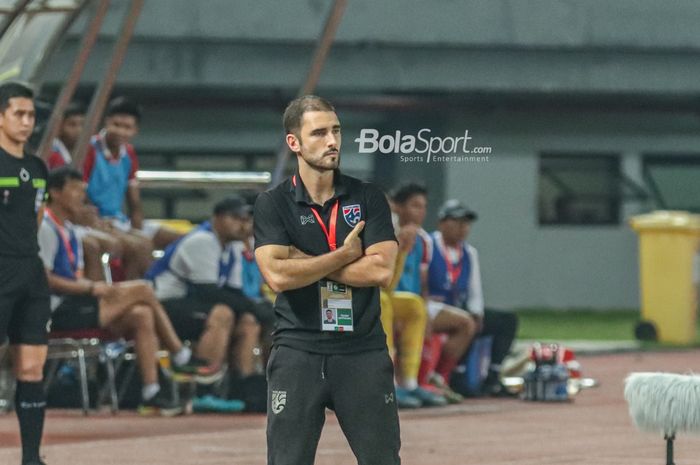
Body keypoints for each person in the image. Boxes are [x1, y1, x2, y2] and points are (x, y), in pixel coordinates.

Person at [254, 95, 400, 465]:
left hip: (362, 351)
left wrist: (306, 261)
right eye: (318, 133)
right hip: (298, 350)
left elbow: (380, 271)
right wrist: (344, 256)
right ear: (294, 143)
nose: (332, 141)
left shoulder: (368, 197)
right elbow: (276, 275)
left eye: (336, 130)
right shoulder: (273, 204)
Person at [37, 167, 210, 415]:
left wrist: (97, 283)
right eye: (75, 190)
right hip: (57, 309)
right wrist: (90, 287)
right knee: (142, 289)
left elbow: (99, 259)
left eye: (83, 191)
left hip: (78, 302)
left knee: (141, 314)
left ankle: (152, 393)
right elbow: (43, 278)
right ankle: (180, 355)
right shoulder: (46, 228)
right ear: (54, 192)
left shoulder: (72, 229)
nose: (81, 197)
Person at [147, 196, 265, 411]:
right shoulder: (202, 240)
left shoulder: (232, 248)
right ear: (217, 219)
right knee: (223, 314)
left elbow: (234, 291)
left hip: (194, 305)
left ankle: (243, 389)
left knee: (249, 322)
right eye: (235, 218)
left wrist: (257, 309)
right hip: (164, 305)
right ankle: (203, 390)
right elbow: (207, 291)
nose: (242, 225)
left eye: (245, 219)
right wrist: (254, 306)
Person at [390, 182, 476, 405]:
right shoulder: (385, 232)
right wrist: (398, 246)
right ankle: (389, 385)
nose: (420, 212)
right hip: (382, 297)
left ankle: (419, 382)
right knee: (394, 311)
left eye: (423, 206)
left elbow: (423, 285)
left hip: (407, 302)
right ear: (397, 207)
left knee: (419, 309)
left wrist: (426, 312)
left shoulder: (423, 241)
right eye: (415, 206)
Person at [0, 82, 50, 465]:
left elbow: (34, 219)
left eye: (31, 114)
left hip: (31, 273)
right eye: (19, 113)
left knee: (32, 367)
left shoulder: (37, 167)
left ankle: (31, 458)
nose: (27, 121)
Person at [427, 199, 519, 396]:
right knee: (465, 322)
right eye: (457, 222)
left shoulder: (469, 252)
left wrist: (478, 313)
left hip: (459, 309)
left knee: (505, 320)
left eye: (466, 223)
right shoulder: (428, 244)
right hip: (433, 308)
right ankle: (447, 375)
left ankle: (493, 376)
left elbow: (474, 290)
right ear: (442, 222)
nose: (462, 228)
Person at [82, 96, 180, 278]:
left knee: (181, 240)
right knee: (141, 245)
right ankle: (136, 292)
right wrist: (99, 222)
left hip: (119, 220)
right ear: (106, 122)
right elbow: (80, 195)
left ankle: (163, 288)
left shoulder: (129, 154)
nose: (121, 131)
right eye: (116, 125)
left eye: (127, 128)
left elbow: (134, 202)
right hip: (96, 221)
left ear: (135, 130)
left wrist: (137, 229)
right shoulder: (89, 149)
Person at [47, 101, 85, 170]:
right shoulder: (52, 154)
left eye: (82, 124)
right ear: (59, 127)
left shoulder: (79, 157)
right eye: (72, 125)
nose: (79, 130)